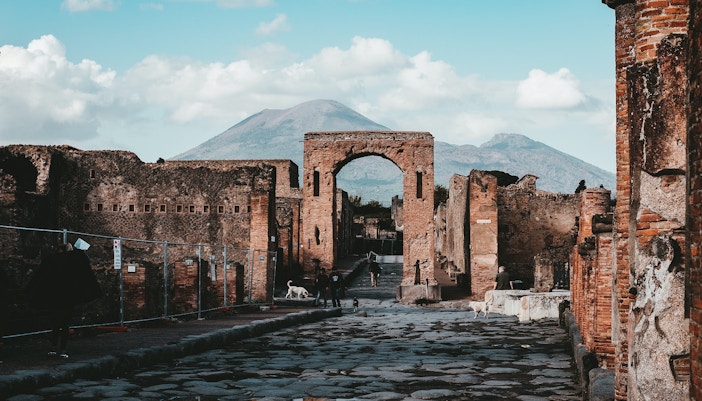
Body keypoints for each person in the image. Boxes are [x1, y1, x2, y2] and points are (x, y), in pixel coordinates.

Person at [26, 240, 102, 359]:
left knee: (56, 324)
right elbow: (84, 260)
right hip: (66, 298)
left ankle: (55, 346)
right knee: (63, 324)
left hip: (56, 297)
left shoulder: (52, 261)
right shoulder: (72, 262)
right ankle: (61, 349)